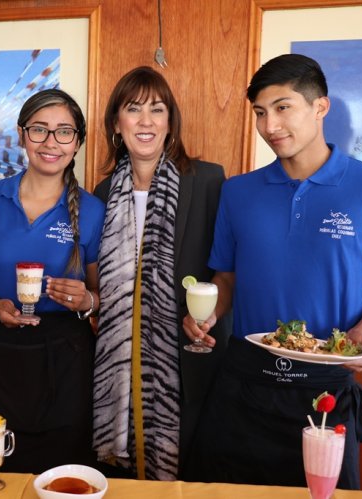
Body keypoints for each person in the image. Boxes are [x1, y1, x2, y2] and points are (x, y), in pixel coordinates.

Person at [185, 54, 362, 488]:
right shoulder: (238, 192)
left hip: (324, 392)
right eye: (259, 112)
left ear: (320, 107)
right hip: (242, 386)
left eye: (283, 107)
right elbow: (227, 280)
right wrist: (210, 314)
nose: (270, 125)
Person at [92, 66, 231, 481]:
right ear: (117, 124)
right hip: (118, 365)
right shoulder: (102, 194)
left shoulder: (207, 180)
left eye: (158, 109)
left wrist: (210, 314)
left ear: (171, 121)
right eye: (133, 109)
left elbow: (226, 271)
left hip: (186, 360)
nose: (147, 121)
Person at [0, 88, 105, 473]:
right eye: (39, 130)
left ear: (77, 142)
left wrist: (86, 300)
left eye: (64, 132)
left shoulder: (92, 211)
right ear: (22, 135)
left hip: (65, 358)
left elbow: (103, 295)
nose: (51, 142)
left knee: (62, 474)